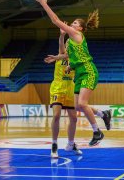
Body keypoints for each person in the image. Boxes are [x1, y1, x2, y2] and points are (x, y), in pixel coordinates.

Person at [36, 0, 108, 146]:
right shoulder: (71, 41)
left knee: (82, 103)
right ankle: (103, 114)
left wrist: (44, 4)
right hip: (79, 73)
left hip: (88, 70)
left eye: (75, 23)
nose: (72, 24)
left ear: (80, 28)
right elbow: (68, 55)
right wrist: (57, 58)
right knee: (77, 106)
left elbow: (55, 20)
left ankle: (97, 132)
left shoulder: (76, 34)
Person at [45, 26, 112, 157]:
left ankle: (71, 143)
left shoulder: (75, 59)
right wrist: (62, 35)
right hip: (58, 87)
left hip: (70, 87)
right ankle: (54, 145)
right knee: (57, 114)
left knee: (75, 117)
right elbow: (62, 48)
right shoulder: (61, 55)